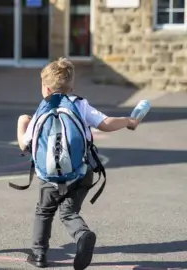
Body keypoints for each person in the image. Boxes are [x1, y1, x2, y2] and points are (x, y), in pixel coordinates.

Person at [16, 57, 140, 269]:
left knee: (44, 211)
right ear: (71, 86)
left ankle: (38, 255)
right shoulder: (79, 104)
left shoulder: (41, 110)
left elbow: (24, 145)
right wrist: (128, 121)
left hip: (49, 177)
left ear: (45, 88)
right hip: (80, 172)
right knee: (69, 212)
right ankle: (82, 235)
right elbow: (106, 124)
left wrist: (22, 123)